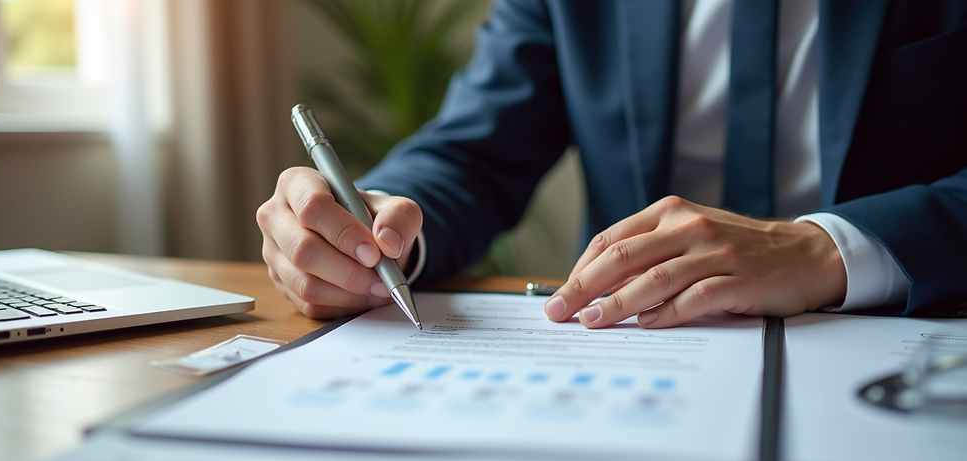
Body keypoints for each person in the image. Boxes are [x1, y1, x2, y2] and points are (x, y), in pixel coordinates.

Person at [257, 0, 967, 329]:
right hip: (624, 344)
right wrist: (378, 223)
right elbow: (473, 149)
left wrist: (827, 250)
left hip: (899, 339)